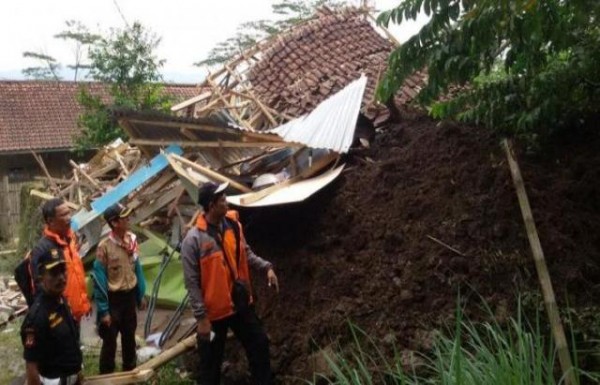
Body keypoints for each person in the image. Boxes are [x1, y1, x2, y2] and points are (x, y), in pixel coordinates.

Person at [181, 182, 279, 385]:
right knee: (210, 363)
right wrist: (201, 318)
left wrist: (266, 267)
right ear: (211, 205)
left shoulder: (233, 226)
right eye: (223, 199)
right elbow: (191, 282)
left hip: (239, 303)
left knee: (259, 343)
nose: (227, 202)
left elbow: (247, 253)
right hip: (214, 312)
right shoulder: (193, 241)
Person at [93, 203, 147, 374]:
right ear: (115, 223)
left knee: (129, 337)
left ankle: (129, 371)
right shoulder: (104, 247)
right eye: (125, 217)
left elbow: (136, 269)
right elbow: (99, 281)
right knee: (110, 341)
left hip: (129, 298)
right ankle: (106, 376)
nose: (128, 219)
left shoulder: (131, 240)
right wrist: (103, 311)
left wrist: (140, 294)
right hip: (113, 301)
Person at [21, 244, 83, 385]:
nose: (61, 277)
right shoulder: (37, 317)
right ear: (41, 277)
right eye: (54, 273)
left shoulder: (62, 300)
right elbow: (31, 367)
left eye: (63, 271)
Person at [31, 198, 91, 322]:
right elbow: (38, 288)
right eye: (63, 215)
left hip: (76, 314)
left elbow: (76, 276)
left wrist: (84, 304)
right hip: (59, 316)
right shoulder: (42, 250)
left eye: (69, 213)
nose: (69, 218)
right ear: (50, 221)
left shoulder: (70, 241)